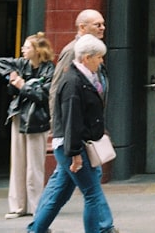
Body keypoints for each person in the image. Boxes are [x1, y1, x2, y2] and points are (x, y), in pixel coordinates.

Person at [29, 9, 108, 233]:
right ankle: (104, 227)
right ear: (82, 27)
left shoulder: (93, 53)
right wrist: (60, 130)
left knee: (61, 187)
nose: (102, 28)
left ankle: (37, 229)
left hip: (82, 132)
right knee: (92, 189)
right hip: (73, 136)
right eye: (97, 24)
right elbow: (59, 94)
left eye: (103, 24)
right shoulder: (74, 53)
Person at [50, 33, 118, 233]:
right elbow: (72, 121)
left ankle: (38, 227)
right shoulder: (73, 82)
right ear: (87, 58)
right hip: (75, 146)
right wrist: (75, 154)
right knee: (92, 194)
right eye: (98, 57)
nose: (101, 61)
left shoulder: (84, 78)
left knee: (65, 192)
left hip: (81, 144)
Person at [0, 32, 55, 219]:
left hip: (37, 119)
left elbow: (44, 95)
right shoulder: (21, 65)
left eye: (27, 47)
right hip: (19, 116)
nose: (23, 50)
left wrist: (22, 85)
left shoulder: (48, 69)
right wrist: (11, 76)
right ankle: (18, 206)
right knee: (18, 162)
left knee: (34, 166)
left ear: (37, 51)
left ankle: (36, 206)